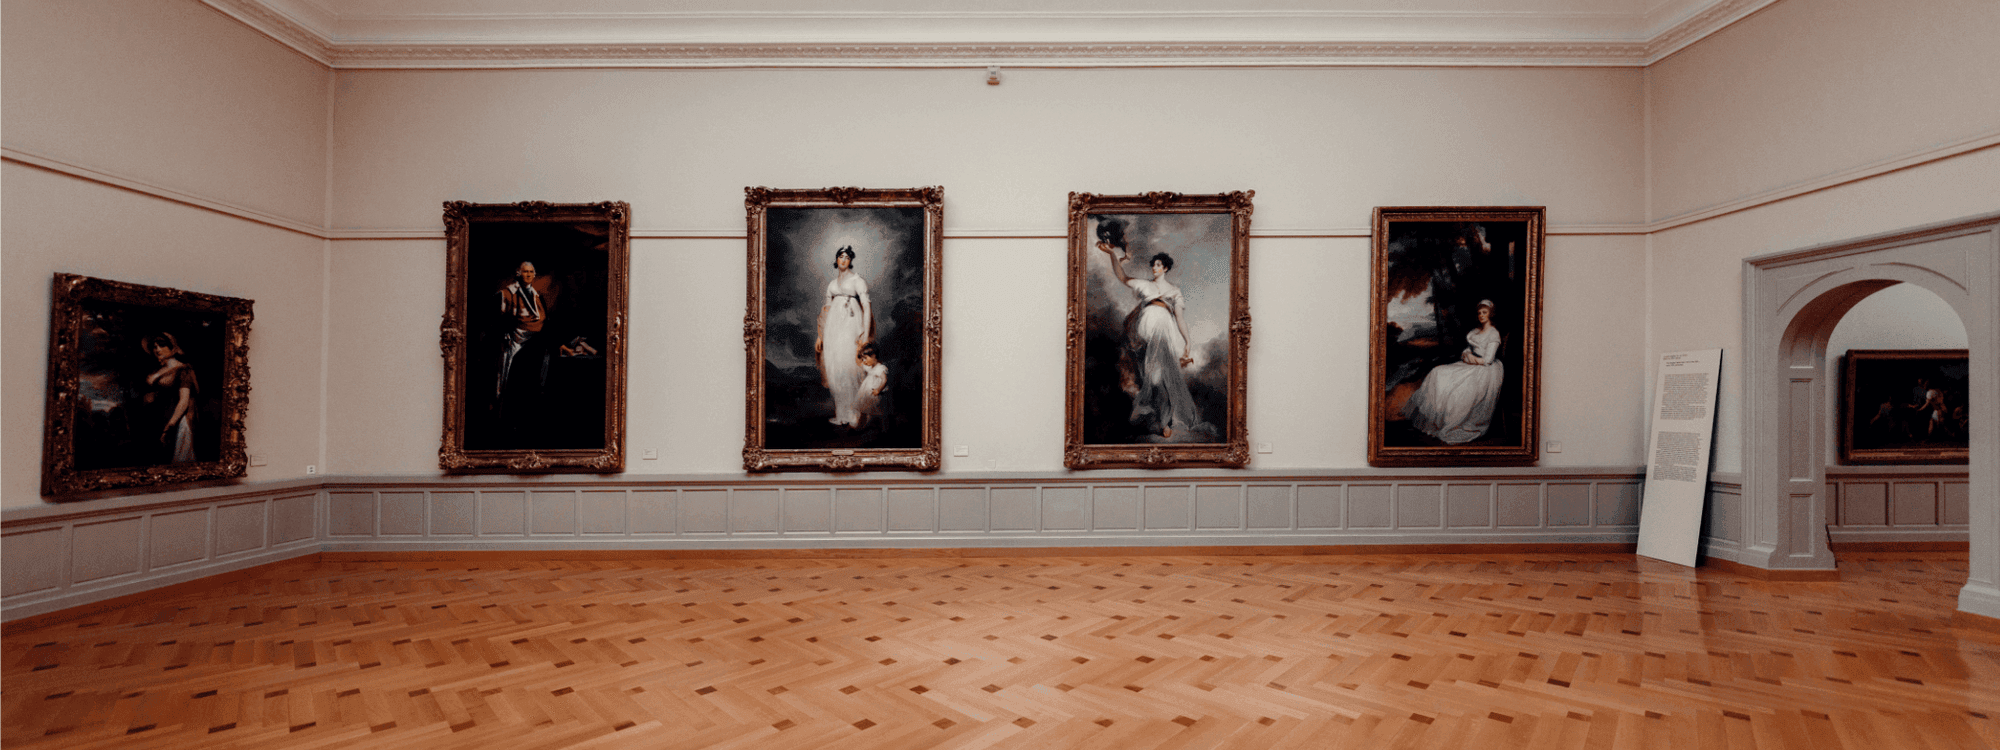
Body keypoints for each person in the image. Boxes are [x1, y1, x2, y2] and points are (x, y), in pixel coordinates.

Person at [1098, 238, 1198, 439]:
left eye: (1158, 265)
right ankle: (1157, 418)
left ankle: (1166, 422)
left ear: (1166, 268)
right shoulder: (1144, 285)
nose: (1154, 267)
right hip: (1143, 333)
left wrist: (1187, 341)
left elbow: (1179, 318)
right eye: (1153, 264)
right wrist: (1111, 255)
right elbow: (1122, 277)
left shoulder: (1174, 291)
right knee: (1148, 378)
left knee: (1162, 378)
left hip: (1163, 333)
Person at [1402, 299, 1505, 444]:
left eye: (1485, 312)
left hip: (1484, 370)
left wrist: (1470, 359)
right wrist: (1467, 353)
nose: (1481, 315)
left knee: (1458, 391)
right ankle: (1435, 421)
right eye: (1480, 313)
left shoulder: (1493, 334)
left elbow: (1487, 360)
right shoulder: (1475, 331)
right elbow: (1470, 348)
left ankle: (1451, 422)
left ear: (1490, 314)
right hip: (1470, 364)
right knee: (1437, 372)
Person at [815, 245, 873, 427]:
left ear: (851, 261)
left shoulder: (857, 280)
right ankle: (841, 415)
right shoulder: (832, 285)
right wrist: (821, 336)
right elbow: (826, 311)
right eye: (841, 256)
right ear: (836, 259)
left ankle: (856, 415)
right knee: (835, 369)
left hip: (851, 328)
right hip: (833, 330)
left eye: (847, 257)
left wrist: (865, 332)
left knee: (851, 369)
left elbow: (867, 308)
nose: (844, 260)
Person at [496, 261, 551, 400]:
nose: (528, 274)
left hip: (536, 342)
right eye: (525, 271)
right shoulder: (506, 294)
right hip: (515, 340)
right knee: (508, 377)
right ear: (518, 273)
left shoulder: (538, 296)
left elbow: (544, 319)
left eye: (531, 272)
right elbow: (499, 320)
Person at [141, 332, 198, 463]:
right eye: (155, 347)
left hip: (176, 422)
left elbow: (183, 402)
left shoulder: (183, 369)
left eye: (162, 345)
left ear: (172, 347)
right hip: (156, 421)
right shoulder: (155, 372)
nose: (158, 350)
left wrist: (169, 427)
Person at [853, 344, 888, 428]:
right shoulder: (870, 367)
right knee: (864, 410)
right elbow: (859, 363)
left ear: (873, 356)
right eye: (863, 359)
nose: (864, 361)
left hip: (874, 393)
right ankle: (860, 426)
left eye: (865, 358)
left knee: (877, 412)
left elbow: (884, 380)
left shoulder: (880, 368)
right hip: (867, 393)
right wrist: (858, 350)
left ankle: (881, 428)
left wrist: (878, 390)